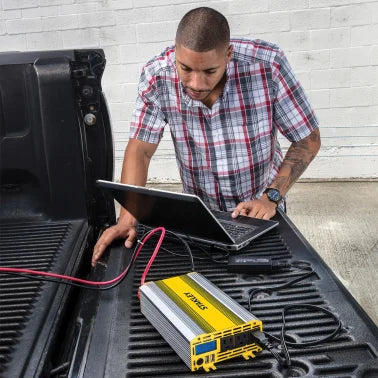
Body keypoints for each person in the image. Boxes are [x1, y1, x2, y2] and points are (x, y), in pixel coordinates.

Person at [92, 7, 321, 267]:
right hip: (201, 214)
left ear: (229, 54)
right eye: (186, 68)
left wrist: (271, 198)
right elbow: (140, 150)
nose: (197, 84)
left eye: (210, 71)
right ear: (175, 52)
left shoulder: (267, 66)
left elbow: (308, 139)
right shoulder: (157, 76)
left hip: (262, 207)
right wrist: (127, 219)